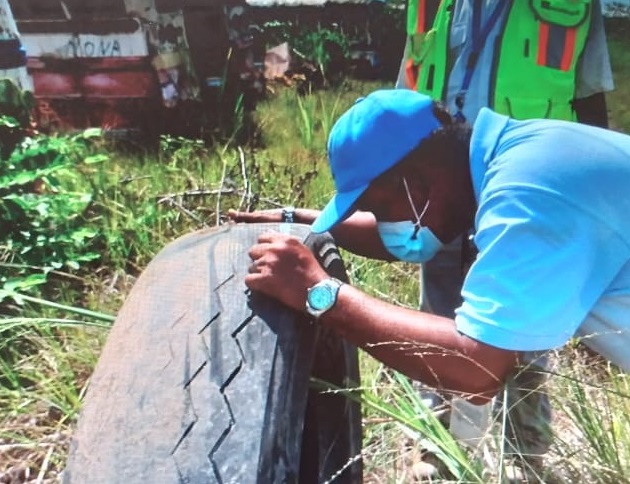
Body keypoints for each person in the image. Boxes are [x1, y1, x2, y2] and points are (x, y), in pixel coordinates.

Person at [229, 88, 630, 480]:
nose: (388, 227)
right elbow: (407, 230)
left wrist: (319, 294)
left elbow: (477, 367)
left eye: (380, 208)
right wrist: (299, 221)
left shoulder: (527, 197)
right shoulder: (518, 157)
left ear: (416, 184)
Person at [396, 0, 614, 474]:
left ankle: (524, 456)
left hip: (528, 187)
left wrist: (586, 197)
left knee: (524, 326)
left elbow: (590, 98)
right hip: (447, 179)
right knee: (438, 312)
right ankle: (436, 451)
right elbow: (406, 94)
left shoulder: (575, 5)